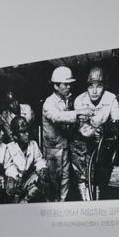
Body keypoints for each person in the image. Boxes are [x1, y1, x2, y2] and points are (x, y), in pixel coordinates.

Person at [72, 66, 119, 200]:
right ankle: (86, 200)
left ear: (104, 86)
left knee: (100, 178)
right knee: (83, 177)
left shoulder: (111, 98)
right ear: (86, 86)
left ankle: (96, 201)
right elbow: (82, 129)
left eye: (99, 86)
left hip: (102, 147)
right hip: (82, 146)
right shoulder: (79, 100)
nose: (95, 91)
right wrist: (93, 132)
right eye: (91, 86)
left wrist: (106, 128)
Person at [42, 66, 94, 201]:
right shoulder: (49, 103)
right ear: (56, 86)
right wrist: (78, 113)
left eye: (70, 84)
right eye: (66, 84)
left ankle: (62, 204)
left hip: (65, 146)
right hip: (53, 150)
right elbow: (57, 117)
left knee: (65, 180)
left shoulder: (67, 99)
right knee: (53, 181)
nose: (69, 87)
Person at [3, 116, 46, 203]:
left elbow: (38, 159)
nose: (27, 134)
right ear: (15, 136)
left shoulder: (33, 144)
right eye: (23, 132)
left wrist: (41, 168)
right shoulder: (10, 147)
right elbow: (8, 166)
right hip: (16, 180)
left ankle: (26, 200)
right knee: (10, 188)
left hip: (28, 178)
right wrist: (14, 176)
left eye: (27, 131)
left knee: (41, 180)